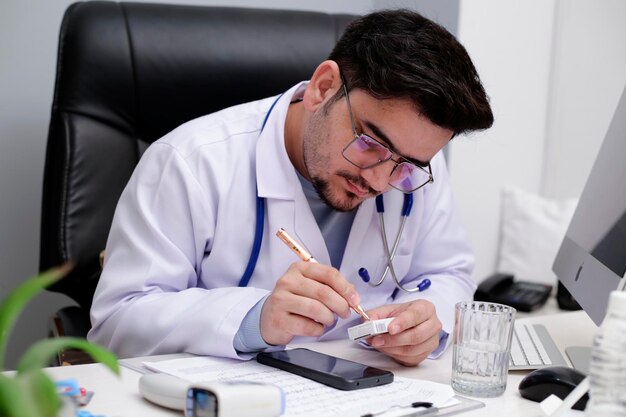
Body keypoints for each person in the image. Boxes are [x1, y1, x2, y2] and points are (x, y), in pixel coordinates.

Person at [88, 9, 493, 367]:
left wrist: (429, 323)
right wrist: (254, 318)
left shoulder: (413, 166)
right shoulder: (190, 162)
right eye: (371, 143)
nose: (379, 180)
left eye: (406, 164)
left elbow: (448, 272)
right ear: (323, 87)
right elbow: (117, 323)